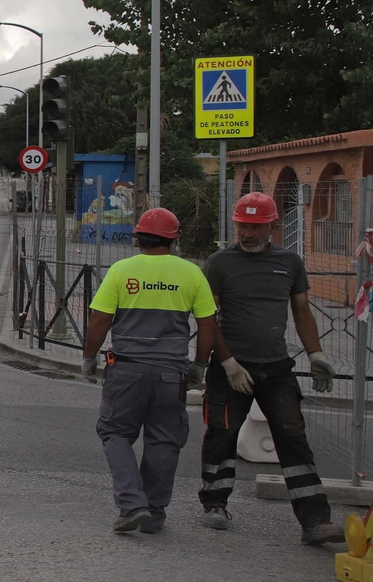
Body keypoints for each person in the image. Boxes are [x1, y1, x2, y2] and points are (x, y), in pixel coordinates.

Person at [198, 192, 342, 545]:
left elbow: (302, 311)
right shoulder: (219, 264)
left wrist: (317, 354)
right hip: (231, 367)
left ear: (273, 227)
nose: (248, 233)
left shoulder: (290, 263)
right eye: (243, 225)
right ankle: (215, 503)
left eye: (256, 227)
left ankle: (315, 521)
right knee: (222, 433)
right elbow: (207, 317)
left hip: (277, 367)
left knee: (292, 437)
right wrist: (228, 363)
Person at [81, 207, 216, 535]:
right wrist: (199, 365)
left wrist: (89, 358)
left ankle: (132, 504)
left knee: (115, 433)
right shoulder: (192, 273)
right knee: (164, 441)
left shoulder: (120, 270)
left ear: (138, 238)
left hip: (126, 370)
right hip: (172, 373)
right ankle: (153, 513)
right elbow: (208, 324)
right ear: (175, 239)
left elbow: (100, 319)